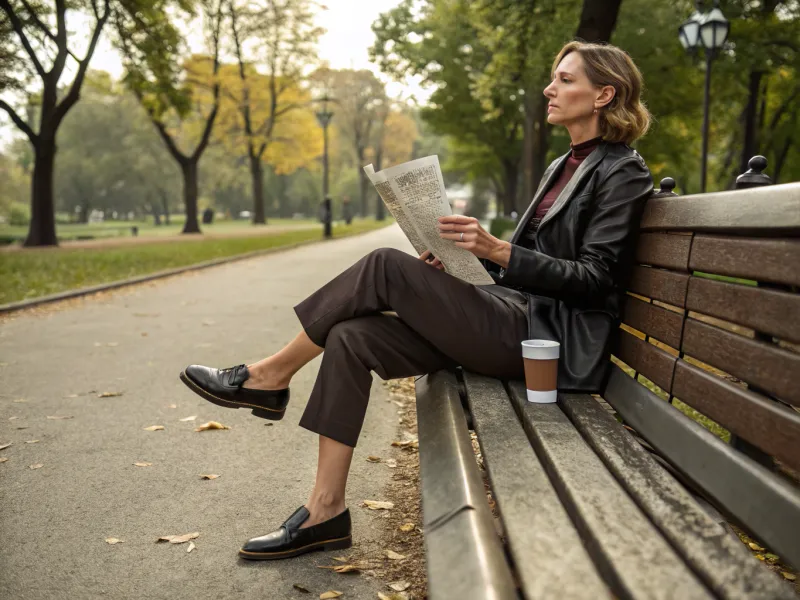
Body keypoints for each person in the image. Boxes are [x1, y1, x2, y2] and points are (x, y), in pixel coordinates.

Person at [179, 41, 653, 561]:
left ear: (604, 94)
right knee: (350, 336)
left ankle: (270, 375)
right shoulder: (564, 163)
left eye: (565, 79)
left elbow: (595, 277)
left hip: (545, 343)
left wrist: (499, 249)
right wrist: (461, 263)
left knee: (382, 264)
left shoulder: (621, 171)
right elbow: (532, 261)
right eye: (554, 77)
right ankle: (326, 510)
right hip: (510, 316)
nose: (550, 87)